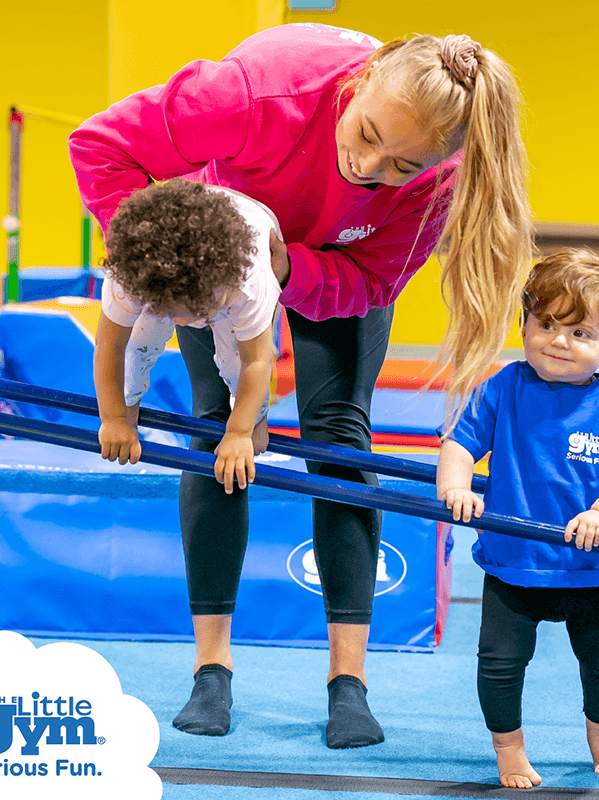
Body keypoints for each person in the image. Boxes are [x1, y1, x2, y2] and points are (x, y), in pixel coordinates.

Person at [69, 22, 533, 749]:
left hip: (328, 267)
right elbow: (100, 145)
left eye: (400, 164)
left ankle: (349, 681)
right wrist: (155, 256)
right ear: (364, 78)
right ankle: (212, 668)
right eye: (367, 133)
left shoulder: (438, 181)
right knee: (215, 426)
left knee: (339, 437)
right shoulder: (257, 93)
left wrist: (289, 269)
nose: (367, 165)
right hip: (218, 254)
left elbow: (372, 281)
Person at [437, 248, 599, 787]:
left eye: (580, 332)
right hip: (513, 562)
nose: (559, 340)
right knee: (500, 663)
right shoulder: (503, 387)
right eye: (548, 324)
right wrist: (455, 486)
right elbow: (459, 444)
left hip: (592, 567)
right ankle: (508, 747)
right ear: (525, 324)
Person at [94, 178, 281, 494]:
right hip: (176, 272)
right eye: (175, 314)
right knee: (138, 342)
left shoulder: (249, 283)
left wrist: (240, 431)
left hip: (246, 242)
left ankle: (258, 417)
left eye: (197, 313)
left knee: (235, 362)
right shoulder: (129, 276)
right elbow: (110, 345)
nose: (185, 323)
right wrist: (114, 417)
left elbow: (257, 362)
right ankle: (129, 403)